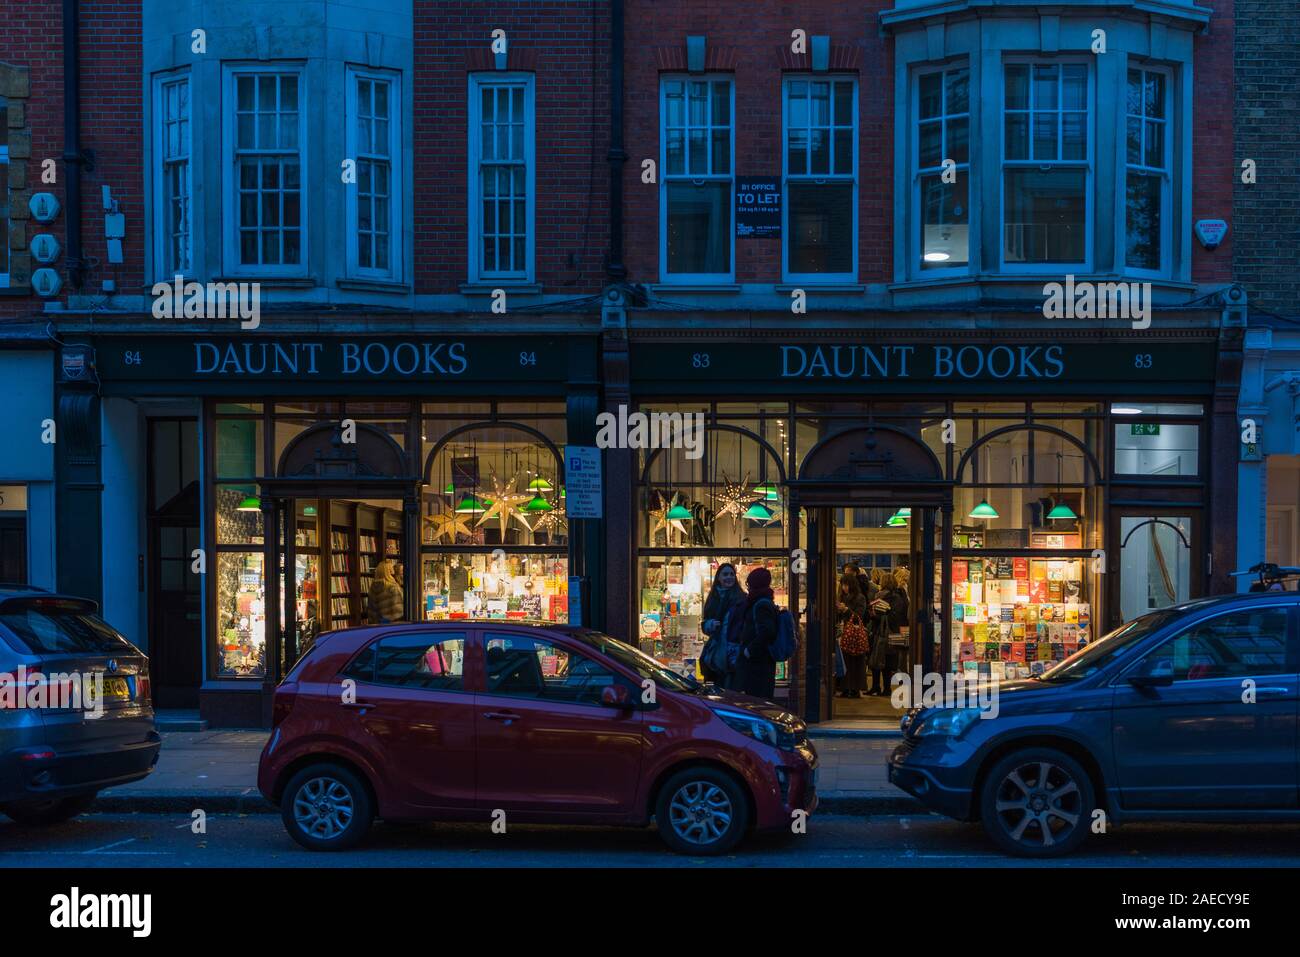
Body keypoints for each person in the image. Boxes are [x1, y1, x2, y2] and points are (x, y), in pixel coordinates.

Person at [730, 566, 779, 699]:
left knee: (756, 701)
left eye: (749, 583)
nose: (748, 587)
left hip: (757, 664)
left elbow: (767, 632)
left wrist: (749, 651)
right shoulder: (762, 601)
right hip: (759, 664)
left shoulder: (761, 604)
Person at [700, 563, 744, 685]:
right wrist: (709, 624)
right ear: (718, 577)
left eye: (731, 574)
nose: (729, 577)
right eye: (725, 574)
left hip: (733, 652)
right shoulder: (713, 598)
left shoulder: (741, 599)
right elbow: (704, 625)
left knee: (731, 689)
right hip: (716, 650)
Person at [836, 570, 869, 698]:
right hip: (844, 634)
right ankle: (845, 687)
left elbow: (859, 616)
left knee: (856, 662)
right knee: (845, 661)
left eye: (846, 585)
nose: (844, 587)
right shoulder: (842, 597)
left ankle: (855, 689)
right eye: (843, 585)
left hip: (854, 634)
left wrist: (846, 610)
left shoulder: (860, 598)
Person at [368, 559, 404, 624]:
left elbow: (371, 612)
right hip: (393, 627)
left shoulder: (372, 588)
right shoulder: (393, 588)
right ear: (389, 572)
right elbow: (399, 613)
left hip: (378, 627)